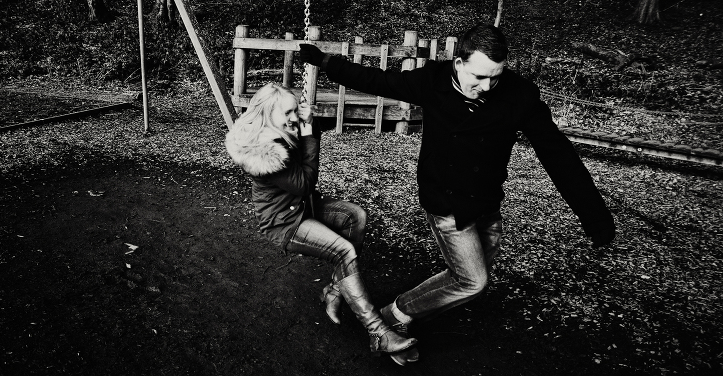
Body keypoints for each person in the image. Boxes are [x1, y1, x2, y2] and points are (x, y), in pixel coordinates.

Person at [299, 23, 616, 362]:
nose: (486, 86)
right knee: (472, 281)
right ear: (459, 63)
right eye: (479, 77)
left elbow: (558, 154)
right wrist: (325, 61)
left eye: (495, 77)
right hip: (446, 200)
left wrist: (594, 216)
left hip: (487, 201)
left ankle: (406, 314)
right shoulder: (433, 81)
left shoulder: (519, 96)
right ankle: (393, 316)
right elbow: (377, 80)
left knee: (469, 277)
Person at [225, 83, 417, 365]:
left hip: (304, 207)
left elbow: (307, 153)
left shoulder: (279, 129)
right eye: (287, 113)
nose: (293, 117)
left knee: (355, 216)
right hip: (284, 222)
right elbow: (304, 183)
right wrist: (306, 131)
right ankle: (379, 333)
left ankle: (334, 291)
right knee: (344, 251)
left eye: (295, 111)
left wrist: (308, 124)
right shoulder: (263, 151)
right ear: (267, 113)